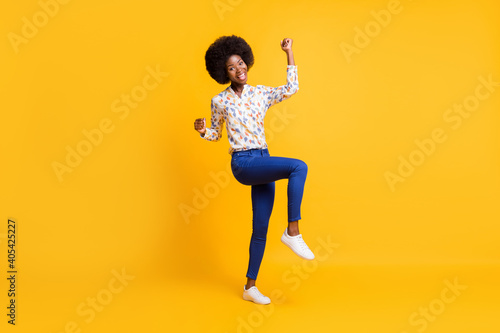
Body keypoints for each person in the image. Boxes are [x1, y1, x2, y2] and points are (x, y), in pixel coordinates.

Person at [194, 35, 314, 305]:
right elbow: (216, 134)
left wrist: (289, 53)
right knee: (298, 166)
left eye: (240, 63)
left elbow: (292, 87)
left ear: (246, 61)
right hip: (244, 163)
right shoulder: (220, 101)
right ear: (224, 74)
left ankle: (250, 287)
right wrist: (203, 131)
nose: (239, 70)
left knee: (260, 227)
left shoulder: (260, 93)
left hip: (263, 159)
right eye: (231, 68)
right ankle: (292, 231)